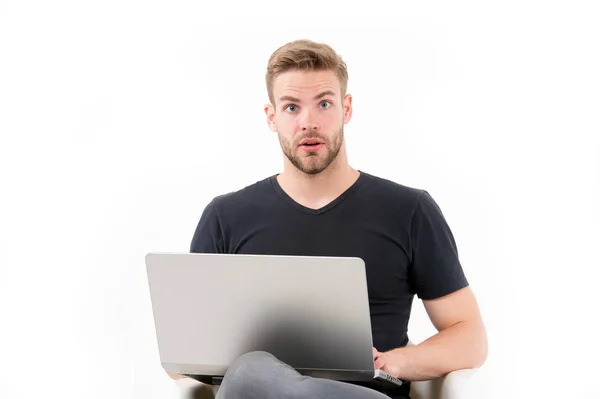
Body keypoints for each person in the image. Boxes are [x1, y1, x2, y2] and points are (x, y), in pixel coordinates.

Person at [167, 39, 488, 399]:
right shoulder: (224, 218)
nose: (309, 122)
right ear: (272, 117)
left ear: (346, 108)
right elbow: (182, 361)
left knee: (247, 372)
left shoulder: (409, 210)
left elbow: (469, 336)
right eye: (291, 107)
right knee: (249, 371)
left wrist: (394, 362)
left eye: (323, 103)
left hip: (368, 391)